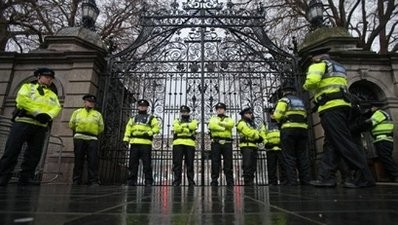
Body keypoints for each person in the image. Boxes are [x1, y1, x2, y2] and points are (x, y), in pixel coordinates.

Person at [303, 47, 375, 188]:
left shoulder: (318, 65)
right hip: (342, 106)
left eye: (312, 57)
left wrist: (305, 85)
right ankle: (326, 177)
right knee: (331, 144)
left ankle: (364, 176)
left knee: (343, 142)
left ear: (317, 57)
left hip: (331, 108)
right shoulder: (339, 67)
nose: (311, 60)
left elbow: (311, 82)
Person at [0, 68, 62, 186]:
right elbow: (22, 100)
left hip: (40, 125)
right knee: (12, 150)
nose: (49, 79)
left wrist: (48, 116)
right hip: (24, 121)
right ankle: (3, 176)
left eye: (50, 78)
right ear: (38, 77)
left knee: (34, 154)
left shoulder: (52, 94)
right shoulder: (28, 87)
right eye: (46, 77)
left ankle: (26, 177)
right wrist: (37, 112)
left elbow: (57, 107)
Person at [273, 82, 311, 185]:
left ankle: (292, 180)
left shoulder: (284, 100)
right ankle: (305, 180)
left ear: (284, 92)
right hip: (302, 129)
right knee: (302, 155)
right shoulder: (300, 102)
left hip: (289, 129)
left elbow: (277, 116)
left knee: (289, 156)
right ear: (294, 92)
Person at [69, 94, 104, 186]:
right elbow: (71, 124)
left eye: (92, 102)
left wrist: (93, 132)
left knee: (92, 160)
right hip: (79, 137)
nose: (91, 103)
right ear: (84, 102)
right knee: (78, 159)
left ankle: (92, 180)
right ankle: (76, 180)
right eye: (89, 101)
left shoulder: (97, 114)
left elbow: (101, 127)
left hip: (92, 138)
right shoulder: (77, 112)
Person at [123, 99, 160, 186]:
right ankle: (132, 181)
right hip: (134, 143)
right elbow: (128, 129)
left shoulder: (151, 118)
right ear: (138, 107)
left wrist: (149, 133)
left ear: (147, 107)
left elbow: (157, 128)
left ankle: (148, 181)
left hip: (145, 143)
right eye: (140, 106)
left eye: (144, 106)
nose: (142, 107)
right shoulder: (133, 118)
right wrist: (126, 139)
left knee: (147, 163)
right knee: (132, 163)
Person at [365, 102, 398, 182]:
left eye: (371, 108)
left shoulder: (379, 113)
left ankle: (396, 175)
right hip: (383, 140)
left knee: (386, 159)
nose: (370, 109)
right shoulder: (383, 113)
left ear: (375, 107)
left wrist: (360, 124)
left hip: (383, 139)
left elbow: (370, 123)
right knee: (385, 158)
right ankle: (392, 176)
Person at [208, 102, 234, 186]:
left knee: (228, 163)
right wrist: (223, 128)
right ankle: (214, 180)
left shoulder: (229, 118)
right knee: (215, 162)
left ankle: (229, 181)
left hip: (227, 142)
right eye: (218, 109)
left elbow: (231, 124)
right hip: (216, 142)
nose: (219, 110)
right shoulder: (213, 118)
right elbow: (211, 126)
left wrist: (219, 124)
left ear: (224, 110)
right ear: (216, 110)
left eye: (221, 108)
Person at [172, 105, 198, 186]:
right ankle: (177, 181)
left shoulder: (193, 120)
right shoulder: (177, 120)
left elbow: (194, 126)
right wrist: (187, 127)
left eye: (186, 112)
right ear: (181, 112)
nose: (184, 113)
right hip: (178, 143)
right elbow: (176, 128)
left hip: (190, 143)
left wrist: (182, 127)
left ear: (188, 112)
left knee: (190, 164)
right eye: (183, 112)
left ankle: (191, 181)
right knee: (177, 164)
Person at [236, 107, 262, 186]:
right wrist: (257, 136)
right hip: (246, 146)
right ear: (244, 115)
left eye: (250, 113)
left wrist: (257, 135)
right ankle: (247, 181)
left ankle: (251, 180)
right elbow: (248, 132)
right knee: (247, 164)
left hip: (253, 145)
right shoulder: (241, 123)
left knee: (253, 165)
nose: (250, 115)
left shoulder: (252, 124)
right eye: (247, 113)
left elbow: (258, 132)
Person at [263, 109, 286, 185]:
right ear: (270, 115)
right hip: (270, 148)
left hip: (280, 148)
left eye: (274, 113)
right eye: (271, 114)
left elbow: (285, 134)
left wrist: (283, 143)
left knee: (283, 165)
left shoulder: (281, 124)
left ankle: (284, 180)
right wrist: (266, 142)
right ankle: (272, 182)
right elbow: (262, 134)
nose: (273, 115)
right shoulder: (266, 124)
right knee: (271, 167)